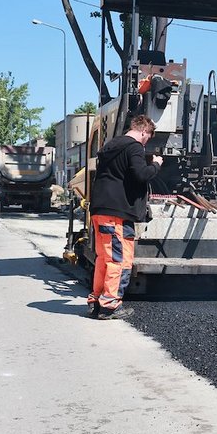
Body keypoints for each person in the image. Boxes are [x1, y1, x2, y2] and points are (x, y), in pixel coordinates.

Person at [87, 115, 163, 320]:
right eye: (148, 137)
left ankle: (97, 301)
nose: (147, 141)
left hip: (100, 209)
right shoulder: (134, 147)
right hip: (117, 213)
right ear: (144, 131)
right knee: (119, 260)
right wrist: (156, 164)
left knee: (104, 258)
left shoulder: (110, 145)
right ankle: (110, 305)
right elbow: (141, 174)